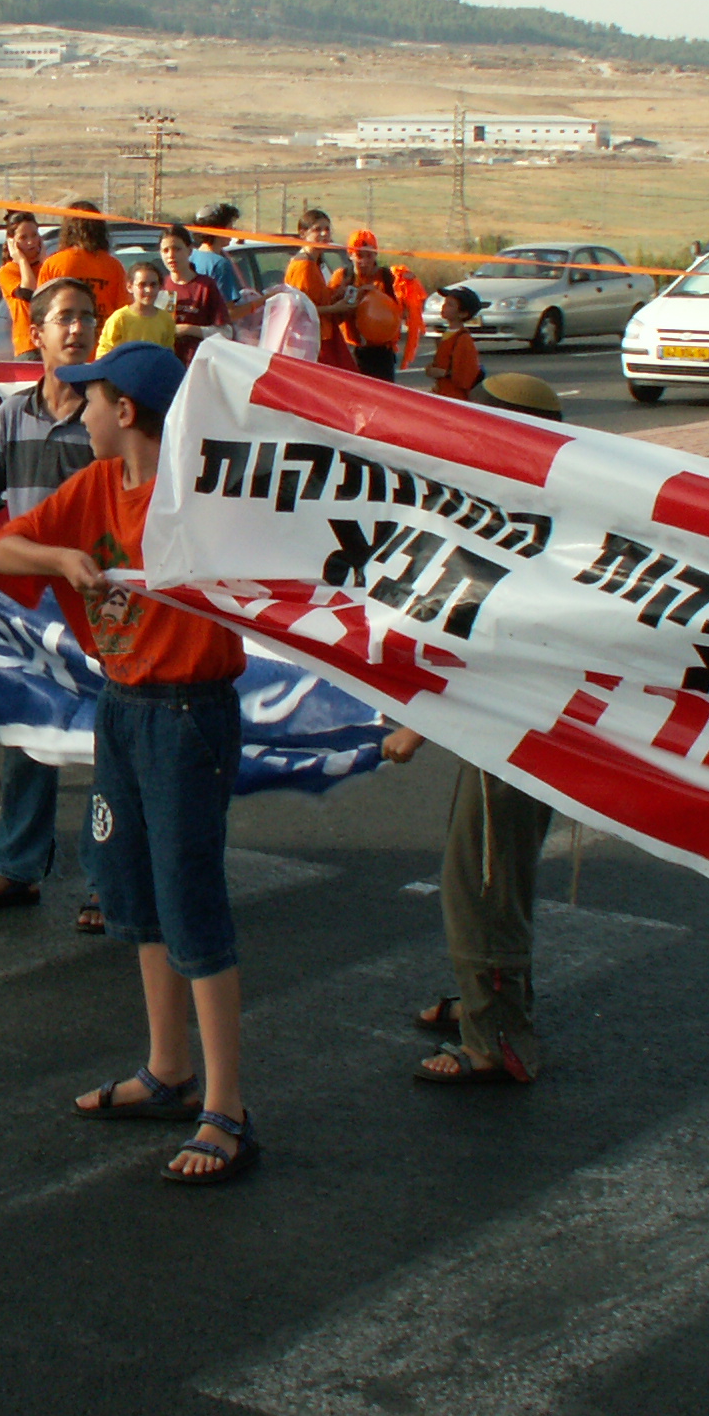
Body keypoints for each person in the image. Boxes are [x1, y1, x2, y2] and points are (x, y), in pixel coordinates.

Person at [0, 339, 257, 1185]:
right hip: (125, 705)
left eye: (91, 399)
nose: (81, 410)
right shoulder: (96, 485)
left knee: (189, 896)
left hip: (189, 713)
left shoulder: (197, 493)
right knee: (132, 890)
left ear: (126, 411)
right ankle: (168, 1069)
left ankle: (228, 1107)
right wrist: (62, 558)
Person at [377, 372, 569, 1085]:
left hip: (515, 729)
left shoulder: (524, 527)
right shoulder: (532, 512)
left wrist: (416, 726)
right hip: (513, 723)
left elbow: (477, 639)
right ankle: (484, 998)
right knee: (494, 872)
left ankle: (497, 1038)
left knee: (483, 883)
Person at [0, 277, 104, 930]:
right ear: (35, 334)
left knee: (107, 747)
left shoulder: (109, 412)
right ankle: (15, 868)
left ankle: (109, 881)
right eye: (65, 318)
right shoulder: (12, 415)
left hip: (100, 608)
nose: (78, 328)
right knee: (29, 738)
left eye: (88, 317)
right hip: (31, 611)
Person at [284, 209, 358, 371]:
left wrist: (337, 293)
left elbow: (316, 299)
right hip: (314, 341)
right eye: (317, 229)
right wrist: (335, 308)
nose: (324, 234)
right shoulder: (304, 266)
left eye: (327, 229)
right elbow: (302, 311)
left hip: (322, 336)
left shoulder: (313, 262)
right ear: (303, 233)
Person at [39, 201, 130, 321]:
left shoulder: (53, 264)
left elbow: (40, 310)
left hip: (64, 330)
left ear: (68, 229)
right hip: (104, 331)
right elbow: (124, 311)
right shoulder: (114, 266)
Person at [155, 225, 228, 362]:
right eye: (165, 250)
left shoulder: (205, 286)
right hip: (166, 364)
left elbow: (226, 333)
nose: (171, 255)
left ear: (190, 251)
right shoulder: (158, 287)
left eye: (177, 249)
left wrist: (189, 329)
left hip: (198, 364)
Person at [342, 229, 406, 383]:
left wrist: (408, 286)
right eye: (359, 255)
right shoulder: (343, 277)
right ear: (350, 255)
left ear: (376, 254)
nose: (364, 261)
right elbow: (331, 308)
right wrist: (354, 297)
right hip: (352, 349)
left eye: (369, 255)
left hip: (382, 351)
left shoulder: (388, 278)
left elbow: (404, 311)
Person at [96, 258, 178, 356]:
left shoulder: (166, 319)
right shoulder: (120, 319)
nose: (148, 290)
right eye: (142, 285)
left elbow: (168, 353)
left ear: (160, 287)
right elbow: (104, 353)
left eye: (153, 285)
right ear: (130, 287)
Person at [0, 213, 49, 359]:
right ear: (12, 242)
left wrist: (44, 263)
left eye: (34, 235)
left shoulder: (47, 266)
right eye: (23, 237)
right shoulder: (8, 271)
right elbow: (28, 292)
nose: (31, 242)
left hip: (52, 342)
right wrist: (21, 261)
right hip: (29, 346)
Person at [188, 203, 249, 314]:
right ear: (218, 230)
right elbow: (229, 312)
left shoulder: (190, 256)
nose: (233, 231)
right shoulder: (220, 264)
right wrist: (263, 300)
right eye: (230, 227)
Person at [427, 285, 484, 400]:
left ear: (463, 314)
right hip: (443, 393)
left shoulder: (463, 339)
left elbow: (466, 374)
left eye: (450, 305)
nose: (444, 306)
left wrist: (443, 373)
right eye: (445, 303)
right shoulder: (449, 334)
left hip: (455, 397)